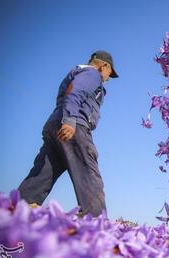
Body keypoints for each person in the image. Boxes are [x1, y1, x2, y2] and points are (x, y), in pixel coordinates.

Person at [18, 50, 119, 217]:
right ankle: (96, 223)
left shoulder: (79, 72)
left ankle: (18, 208)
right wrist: (70, 120)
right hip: (74, 126)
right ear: (104, 66)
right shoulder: (92, 74)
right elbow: (75, 91)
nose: (108, 78)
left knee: (44, 172)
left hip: (56, 123)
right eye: (110, 73)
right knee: (88, 173)